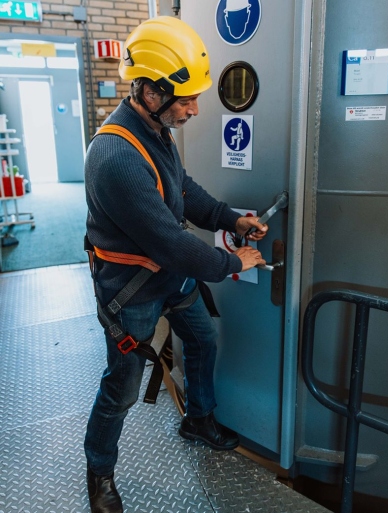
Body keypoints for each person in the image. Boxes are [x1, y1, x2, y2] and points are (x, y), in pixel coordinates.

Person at [82, 16, 267, 513]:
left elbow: (181, 191)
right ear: (147, 89)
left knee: (202, 339)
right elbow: (170, 242)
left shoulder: (155, 131)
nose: (194, 108)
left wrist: (231, 218)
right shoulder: (115, 156)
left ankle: (197, 418)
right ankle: (99, 471)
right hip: (132, 288)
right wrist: (232, 260)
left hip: (168, 276)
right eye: (184, 98)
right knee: (120, 387)